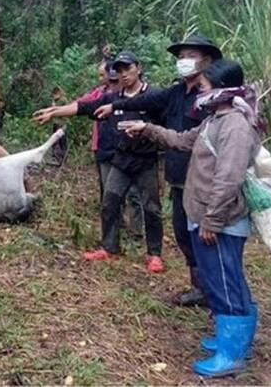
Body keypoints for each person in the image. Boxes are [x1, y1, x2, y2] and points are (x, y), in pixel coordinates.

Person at [121, 59, 260, 377]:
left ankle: (232, 353)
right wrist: (148, 129)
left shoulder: (235, 125)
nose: (200, 90)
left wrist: (212, 220)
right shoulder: (215, 118)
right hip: (208, 215)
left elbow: (228, 178)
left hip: (220, 221)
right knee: (226, 279)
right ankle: (235, 339)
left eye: (205, 86)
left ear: (221, 89)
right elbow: (183, 141)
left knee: (225, 283)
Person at [94, 34, 223, 305]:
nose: (183, 62)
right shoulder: (176, 92)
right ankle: (200, 289)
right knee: (184, 234)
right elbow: (143, 104)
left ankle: (219, 295)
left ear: (208, 60)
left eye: (190, 56)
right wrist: (114, 105)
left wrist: (146, 129)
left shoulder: (214, 99)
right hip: (177, 176)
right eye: (180, 57)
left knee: (207, 237)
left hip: (201, 178)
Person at [34, 51, 164, 273]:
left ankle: (154, 254)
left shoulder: (154, 96)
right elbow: (83, 107)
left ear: (138, 68)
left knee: (151, 207)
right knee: (109, 201)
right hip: (121, 159)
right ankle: (110, 247)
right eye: (119, 70)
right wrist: (54, 112)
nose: (123, 74)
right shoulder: (113, 97)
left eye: (127, 68)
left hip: (146, 160)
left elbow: (167, 125)